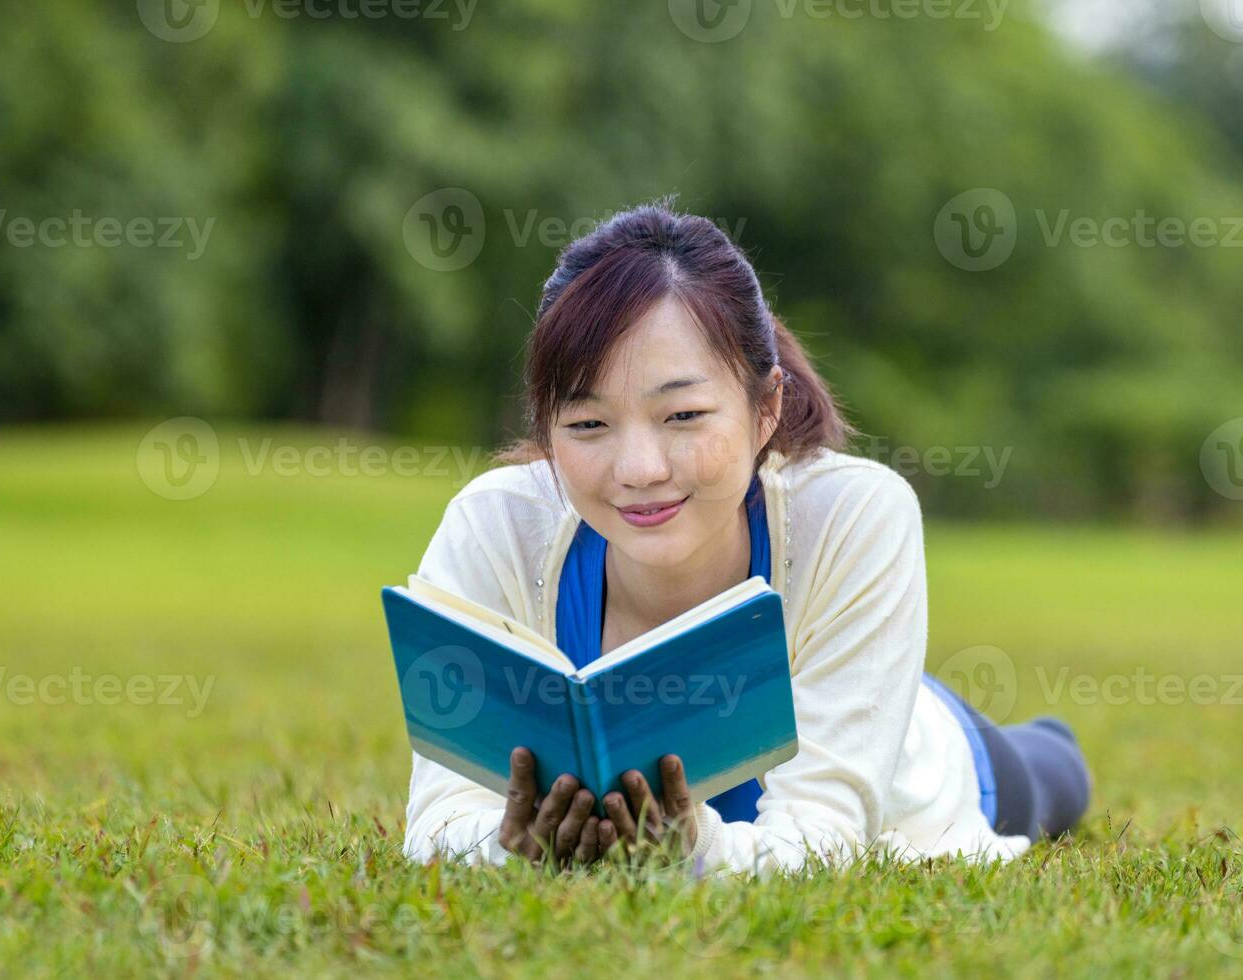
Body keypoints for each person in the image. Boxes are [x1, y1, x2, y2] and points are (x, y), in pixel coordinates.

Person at [401, 200, 1091, 875]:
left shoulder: (854, 513)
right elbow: (438, 819)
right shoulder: (495, 527)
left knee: (1055, 773)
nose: (639, 470)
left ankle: (1048, 749)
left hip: (897, 732)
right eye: (587, 425)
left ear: (767, 409)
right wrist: (514, 846)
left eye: (683, 415)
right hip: (835, 681)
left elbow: (825, 841)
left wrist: (687, 849)